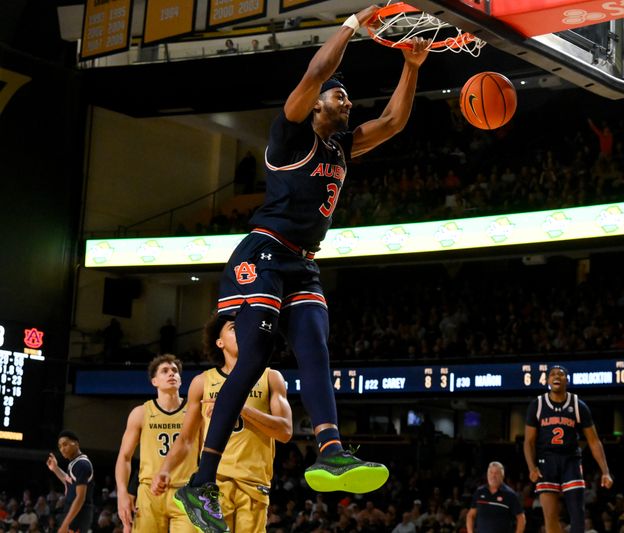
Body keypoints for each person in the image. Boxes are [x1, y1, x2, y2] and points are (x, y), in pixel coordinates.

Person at [172, 5, 430, 531]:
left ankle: (331, 450)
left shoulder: (342, 145)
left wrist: (413, 64)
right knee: (252, 363)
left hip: (303, 264)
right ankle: (202, 483)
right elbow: (315, 74)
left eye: (346, 96)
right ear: (316, 108)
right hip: (262, 254)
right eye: (340, 96)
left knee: (315, 350)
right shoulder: (291, 134)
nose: (346, 100)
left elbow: (394, 122)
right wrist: (354, 24)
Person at [154, 314, 292, 533]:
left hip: (255, 484)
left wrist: (239, 408)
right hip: (214, 486)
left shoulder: (271, 377)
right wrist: (165, 469)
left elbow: (285, 432)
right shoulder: (202, 382)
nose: (243, 332)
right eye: (234, 328)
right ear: (219, 342)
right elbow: (187, 438)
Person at [524, 365, 613, 533]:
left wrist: (605, 471)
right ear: (548, 380)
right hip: (546, 460)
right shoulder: (537, 405)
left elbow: (594, 441)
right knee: (550, 517)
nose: (556, 376)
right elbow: (528, 442)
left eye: (561, 374)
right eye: (552, 374)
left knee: (578, 515)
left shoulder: (579, 406)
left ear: (567, 380)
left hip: (571, 460)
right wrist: (531, 467)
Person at [114, 354, 198, 533]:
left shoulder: (194, 412)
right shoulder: (141, 413)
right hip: (149, 492)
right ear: (154, 381)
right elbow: (125, 457)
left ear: (181, 380)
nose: (171, 374)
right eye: (165, 371)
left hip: (186, 490)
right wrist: (122, 492)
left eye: (175, 371)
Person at [46, 430, 94, 533]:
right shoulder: (75, 463)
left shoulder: (82, 464)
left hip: (79, 514)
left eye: (65, 444)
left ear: (76, 444)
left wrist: (65, 525)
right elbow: (69, 482)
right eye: (60, 446)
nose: (62, 449)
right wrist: (55, 468)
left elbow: (80, 498)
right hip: (73, 512)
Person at [466, 462, 525, 533]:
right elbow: (470, 515)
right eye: (491, 472)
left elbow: (521, 518)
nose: (493, 476)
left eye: (496, 473)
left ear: (502, 476)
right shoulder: (479, 492)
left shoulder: (510, 494)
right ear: (487, 475)